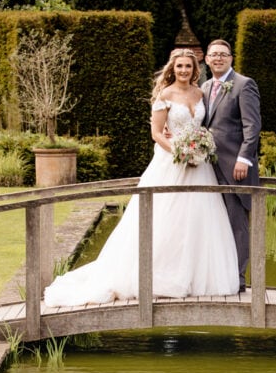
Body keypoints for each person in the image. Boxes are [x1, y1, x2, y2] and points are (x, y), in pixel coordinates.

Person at [43, 49, 239, 306]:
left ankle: (194, 277)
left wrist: (199, 150)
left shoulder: (200, 93)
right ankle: (158, 276)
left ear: (195, 69)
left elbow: (203, 127)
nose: (183, 71)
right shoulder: (165, 95)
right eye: (179, 66)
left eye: (188, 67)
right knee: (164, 217)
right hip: (171, 163)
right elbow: (157, 133)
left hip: (199, 167)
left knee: (197, 219)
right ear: (173, 68)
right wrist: (180, 151)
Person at [201, 39, 261, 292]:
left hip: (235, 168)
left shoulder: (244, 84)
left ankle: (237, 279)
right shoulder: (204, 87)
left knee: (237, 224)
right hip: (207, 167)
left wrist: (244, 159)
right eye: (213, 55)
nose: (218, 58)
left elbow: (252, 126)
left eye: (222, 55)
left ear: (231, 58)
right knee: (212, 223)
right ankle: (215, 276)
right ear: (206, 59)